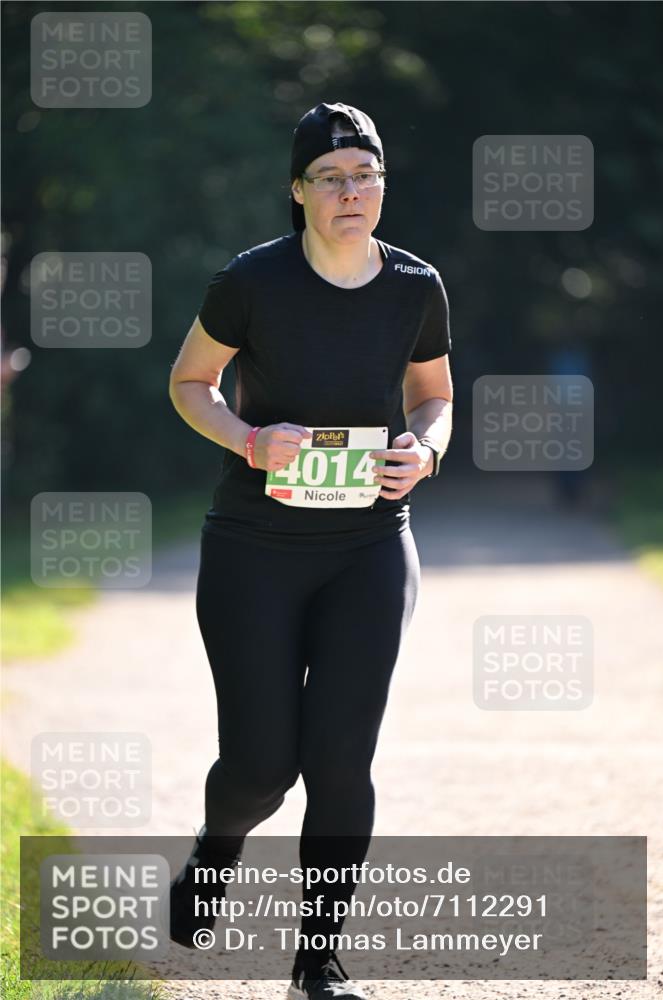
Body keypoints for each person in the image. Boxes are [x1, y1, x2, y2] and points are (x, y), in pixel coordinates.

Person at [167, 101, 454, 1000]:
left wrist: (427, 448)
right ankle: (217, 854)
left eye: (364, 173)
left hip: (369, 547)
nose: (350, 191)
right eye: (330, 177)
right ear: (298, 192)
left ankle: (317, 962)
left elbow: (433, 394)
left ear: (382, 186)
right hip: (254, 548)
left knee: (339, 760)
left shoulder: (415, 285)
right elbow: (189, 382)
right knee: (260, 765)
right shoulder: (251, 282)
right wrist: (250, 442)